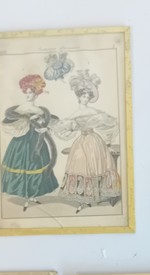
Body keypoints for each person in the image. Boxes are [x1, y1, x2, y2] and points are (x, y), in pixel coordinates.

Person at [50, 70, 121, 213]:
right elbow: (66, 127)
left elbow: (109, 123)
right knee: (81, 166)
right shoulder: (75, 113)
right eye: (83, 96)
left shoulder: (93, 111)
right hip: (81, 142)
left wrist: (108, 140)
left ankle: (96, 195)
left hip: (95, 141)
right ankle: (84, 198)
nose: (86, 99)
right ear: (79, 97)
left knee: (97, 166)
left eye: (88, 96)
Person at [0, 74, 59, 211]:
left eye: (31, 92)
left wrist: (44, 128)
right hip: (21, 142)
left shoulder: (40, 110)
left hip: (37, 142)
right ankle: (24, 194)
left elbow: (48, 123)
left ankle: (32, 195)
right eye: (26, 92)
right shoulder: (19, 109)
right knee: (22, 165)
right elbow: (11, 124)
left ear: (36, 94)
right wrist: (28, 122)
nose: (28, 95)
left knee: (36, 165)